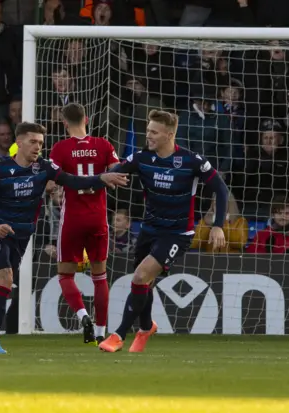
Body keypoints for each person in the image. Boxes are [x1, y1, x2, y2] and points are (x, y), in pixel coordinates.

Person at [0, 122, 129, 354]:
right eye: (33, 142)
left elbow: (72, 181)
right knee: (5, 279)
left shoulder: (44, 168)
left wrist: (101, 179)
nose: (38, 147)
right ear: (19, 143)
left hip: (21, 237)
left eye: (40, 143)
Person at [99, 110, 229, 354]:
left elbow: (220, 190)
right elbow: (117, 170)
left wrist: (218, 225)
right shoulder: (142, 158)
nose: (148, 135)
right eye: (148, 130)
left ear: (170, 135)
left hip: (177, 234)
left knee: (139, 277)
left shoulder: (192, 161)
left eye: (153, 132)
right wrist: (106, 176)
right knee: (143, 281)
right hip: (149, 230)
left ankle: (118, 335)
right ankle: (146, 326)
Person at [49, 103, 120, 345]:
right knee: (99, 276)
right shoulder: (104, 145)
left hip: (73, 218)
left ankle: (83, 316)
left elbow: (51, 182)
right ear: (87, 120)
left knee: (65, 275)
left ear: (64, 123)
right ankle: (101, 332)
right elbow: (118, 174)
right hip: (98, 217)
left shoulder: (60, 148)